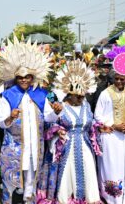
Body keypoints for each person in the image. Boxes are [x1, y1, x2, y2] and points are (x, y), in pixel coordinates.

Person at [0, 38, 61, 203]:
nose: (24, 80)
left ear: (32, 77)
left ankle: (29, 199)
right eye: (20, 77)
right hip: (14, 146)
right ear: (15, 78)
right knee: (11, 181)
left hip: (35, 146)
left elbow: (48, 118)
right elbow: (2, 122)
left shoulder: (40, 94)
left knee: (31, 178)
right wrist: (11, 117)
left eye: (27, 77)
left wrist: (55, 111)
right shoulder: (9, 96)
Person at [37, 60, 101, 204]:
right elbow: (48, 122)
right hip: (65, 148)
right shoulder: (58, 104)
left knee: (88, 174)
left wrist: (98, 128)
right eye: (77, 96)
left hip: (85, 147)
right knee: (65, 178)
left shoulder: (86, 105)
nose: (80, 99)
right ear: (69, 94)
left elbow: (91, 123)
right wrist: (57, 130)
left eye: (82, 96)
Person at [95, 44, 125, 204]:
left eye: (123, 79)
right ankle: (111, 196)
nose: (120, 82)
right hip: (110, 137)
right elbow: (98, 116)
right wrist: (113, 125)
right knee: (111, 165)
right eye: (117, 79)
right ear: (113, 78)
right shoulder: (105, 93)